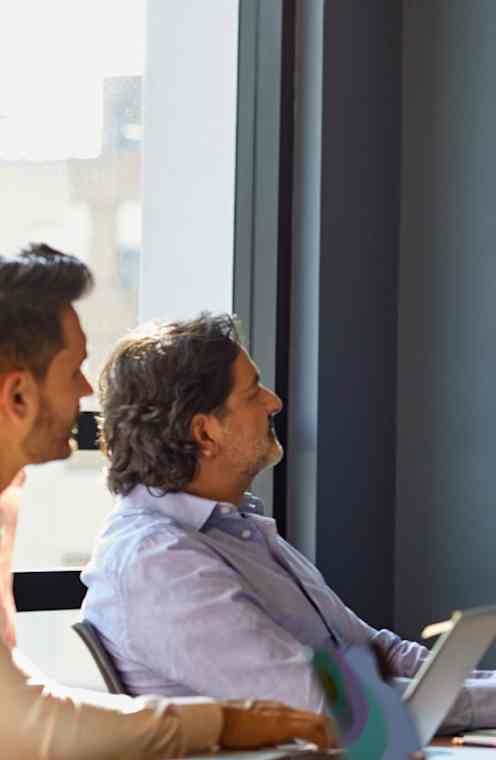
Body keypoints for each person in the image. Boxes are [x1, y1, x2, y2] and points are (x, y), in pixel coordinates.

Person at [81, 313, 496, 734]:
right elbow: (318, 700)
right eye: (252, 392)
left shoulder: (236, 527)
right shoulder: (158, 563)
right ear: (205, 433)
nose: (275, 402)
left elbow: (370, 651)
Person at [0, 244, 331, 758]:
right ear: (18, 397)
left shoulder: (8, 504)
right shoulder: (157, 556)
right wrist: (222, 723)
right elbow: (31, 724)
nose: (87, 392)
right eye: (73, 373)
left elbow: (23, 705)